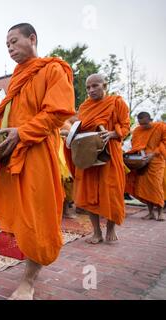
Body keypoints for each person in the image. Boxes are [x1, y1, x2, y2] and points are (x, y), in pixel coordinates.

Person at [0, 23, 75, 300]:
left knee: (37, 218)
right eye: (7, 45)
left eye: (14, 41)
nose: (10, 48)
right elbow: (7, 115)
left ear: (32, 38)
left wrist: (23, 133)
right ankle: (26, 258)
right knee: (19, 217)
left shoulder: (53, 69)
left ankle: (28, 282)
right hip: (10, 154)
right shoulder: (18, 77)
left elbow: (57, 113)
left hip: (37, 153)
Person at [69, 74, 130, 244]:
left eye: (95, 86)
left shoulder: (117, 102)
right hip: (88, 154)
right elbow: (79, 128)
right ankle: (96, 232)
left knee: (112, 191)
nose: (91, 90)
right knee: (89, 193)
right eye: (88, 87)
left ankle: (111, 229)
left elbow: (126, 126)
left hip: (110, 154)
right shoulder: (85, 106)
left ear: (105, 85)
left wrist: (112, 133)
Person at [125, 112, 166, 221]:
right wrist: (138, 154)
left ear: (150, 119)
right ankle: (151, 213)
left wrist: (153, 153)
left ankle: (160, 213)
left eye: (145, 124)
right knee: (144, 188)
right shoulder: (138, 130)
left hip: (156, 161)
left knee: (156, 186)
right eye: (141, 124)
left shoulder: (160, 127)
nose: (143, 126)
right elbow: (135, 144)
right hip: (142, 162)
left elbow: (164, 142)